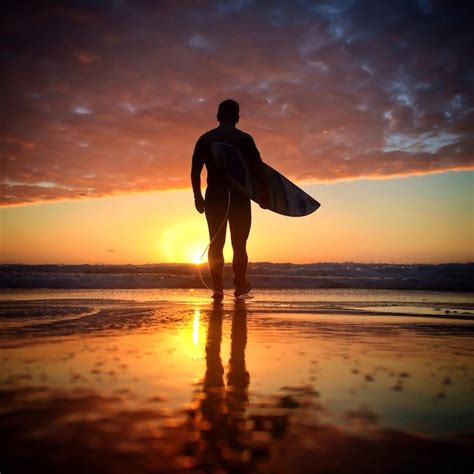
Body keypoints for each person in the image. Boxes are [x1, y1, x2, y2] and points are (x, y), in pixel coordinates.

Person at [191, 99, 267, 300]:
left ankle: (217, 290)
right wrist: (264, 196)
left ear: (218, 116)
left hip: (215, 197)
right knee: (239, 245)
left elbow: (195, 170)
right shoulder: (244, 139)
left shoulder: (206, 139)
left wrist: (197, 196)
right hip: (240, 198)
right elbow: (257, 169)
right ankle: (240, 286)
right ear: (237, 118)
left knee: (215, 244)